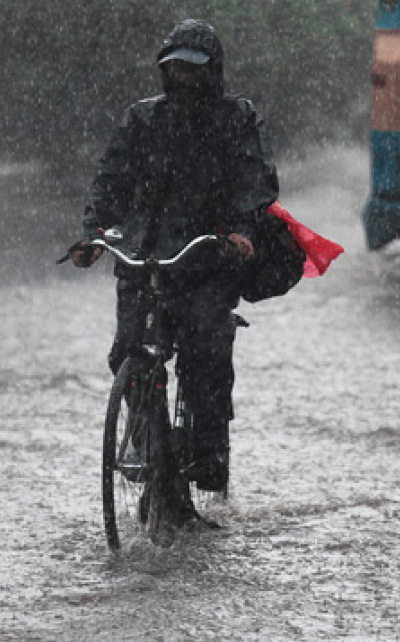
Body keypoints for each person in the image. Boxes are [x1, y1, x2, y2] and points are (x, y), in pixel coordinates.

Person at [68, 19, 279, 497]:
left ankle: (208, 449)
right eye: (175, 70)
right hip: (146, 255)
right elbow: (110, 182)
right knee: (129, 349)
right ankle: (144, 436)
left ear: (213, 72)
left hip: (208, 254)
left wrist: (242, 232)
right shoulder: (142, 119)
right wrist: (94, 235)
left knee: (206, 339)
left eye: (193, 70)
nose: (183, 79)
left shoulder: (238, 119)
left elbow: (255, 181)